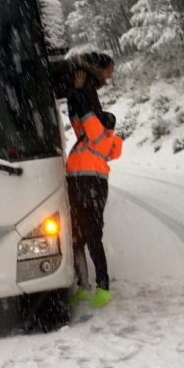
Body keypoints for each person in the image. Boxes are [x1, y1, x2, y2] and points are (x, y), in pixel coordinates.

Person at [66, 78, 123, 308]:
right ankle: (83, 285)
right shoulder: (86, 139)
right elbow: (76, 117)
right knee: (77, 239)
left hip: (92, 190)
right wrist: (72, 94)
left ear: (104, 124)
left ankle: (103, 287)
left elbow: (87, 114)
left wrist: (80, 88)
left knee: (92, 239)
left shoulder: (100, 137)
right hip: (80, 189)